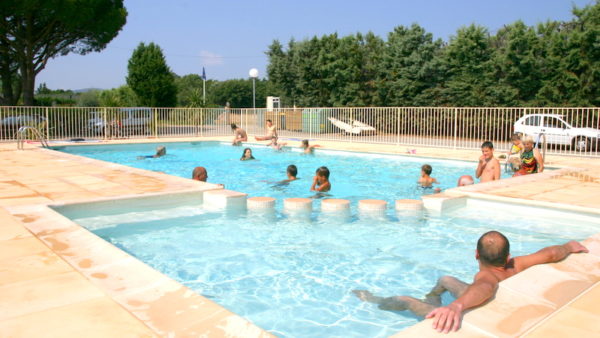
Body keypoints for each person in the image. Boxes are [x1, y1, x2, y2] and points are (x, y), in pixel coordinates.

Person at [353, 230, 588, 334]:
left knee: (404, 300)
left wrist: (456, 306)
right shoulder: (516, 264)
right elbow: (550, 253)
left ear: (476, 255)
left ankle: (374, 300)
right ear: (507, 256)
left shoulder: (487, 276)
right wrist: (568, 246)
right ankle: (433, 295)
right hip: (488, 291)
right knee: (445, 279)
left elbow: (484, 288)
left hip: (475, 305)